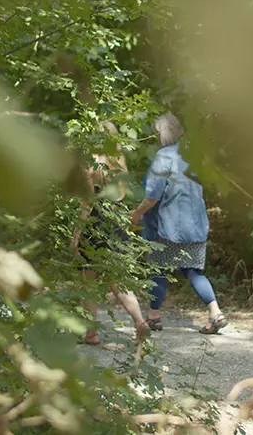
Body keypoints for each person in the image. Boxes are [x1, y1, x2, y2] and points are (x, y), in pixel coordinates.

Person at [130, 112, 228, 334]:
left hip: (169, 227)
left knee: (159, 269)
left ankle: (154, 316)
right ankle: (215, 312)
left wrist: (136, 214)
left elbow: (153, 196)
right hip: (196, 225)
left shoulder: (163, 156)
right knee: (194, 271)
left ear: (161, 134)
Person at [71, 121, 151, 345]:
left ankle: (91, 333)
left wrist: (76, 234)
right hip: (116, 223)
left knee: (89, 281)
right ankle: (139, 322)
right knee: (117, 280)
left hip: (96, 224)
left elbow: (87, 203)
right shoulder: (120, 166)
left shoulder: (91, 166)